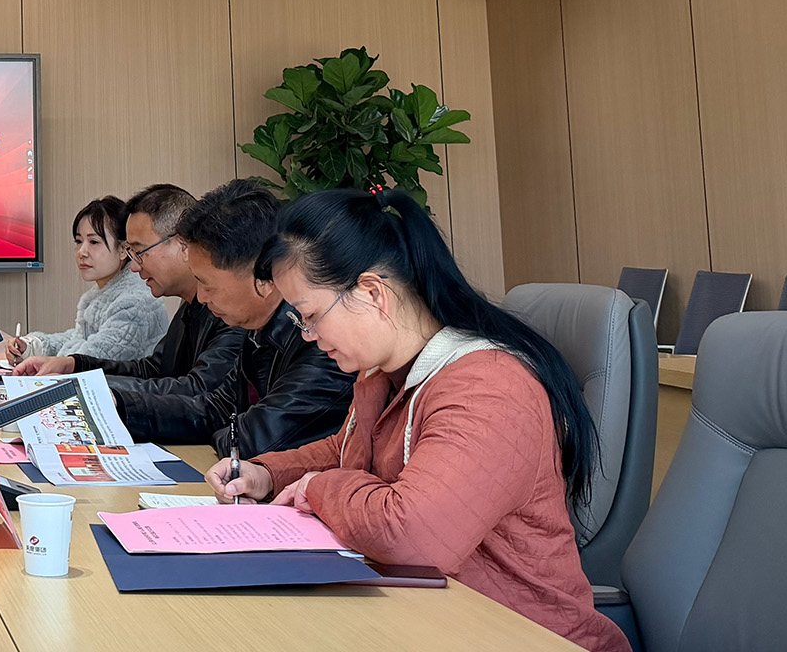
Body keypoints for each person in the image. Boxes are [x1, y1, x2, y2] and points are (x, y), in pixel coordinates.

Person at [212, 188, 628, 652]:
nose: (308, 336)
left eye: (310, 316)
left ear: (372, 293)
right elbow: (346, 451)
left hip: (524, 635)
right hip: (430, 620)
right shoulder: (384, 372)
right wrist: (268, 474)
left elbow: (412, 535)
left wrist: (318, 488)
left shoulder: (489, 387)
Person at [149, 178, 354, 453]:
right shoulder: (258, 329)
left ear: (264, 277)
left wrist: (222, 431)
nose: (201, 298)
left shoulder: (321, 340)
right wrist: (121, 406)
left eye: (208, 285)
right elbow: (217, 410)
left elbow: (254, 439)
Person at [13, 184, 242, 416]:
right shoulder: (190, 305)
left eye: (139, 252)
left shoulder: (230, 311)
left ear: (182, 244)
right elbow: (152, 369)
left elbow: (198, 391)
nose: (133, 266)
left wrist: (89, 386)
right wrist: (76, 365)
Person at [5, 196, 167, 364]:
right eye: (78, 241)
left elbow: (91, 359)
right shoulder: (107, 292)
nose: (82, 252)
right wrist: (31, 346)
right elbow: (78, 338)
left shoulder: (134, 303)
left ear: (123, 250)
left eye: (94, 242)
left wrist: (42, 361)